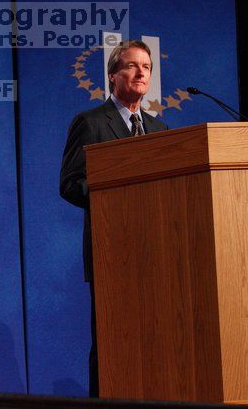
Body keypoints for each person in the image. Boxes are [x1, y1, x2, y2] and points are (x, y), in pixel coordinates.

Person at [59, 40, 169, 397]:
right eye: (132, 66)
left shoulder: (161, 131)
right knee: (112, 344)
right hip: (112, 252)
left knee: (157, 342)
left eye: (146, 67)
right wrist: (112, 194)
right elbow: (70, 184)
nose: (140, 73)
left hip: (158, 255)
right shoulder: (90, 123)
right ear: (112, 76)